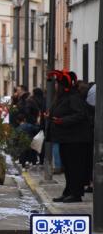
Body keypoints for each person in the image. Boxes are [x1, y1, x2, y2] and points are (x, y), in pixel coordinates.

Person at [46, 70, 91, 203]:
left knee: (74, 167)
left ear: (62, 85)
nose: (54, 87)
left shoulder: (73, 97)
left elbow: (80, 115)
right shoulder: (63, 97)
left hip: (75, 140)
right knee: (68, 167)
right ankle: (68, 191)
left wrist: (62, 121)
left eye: (57, 84)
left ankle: (75, 193)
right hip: (66, 139)